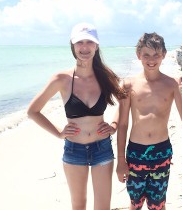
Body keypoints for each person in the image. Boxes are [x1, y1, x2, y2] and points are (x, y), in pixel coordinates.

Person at [27, 22, 126, 210]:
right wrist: (58, 132)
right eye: (80, 42)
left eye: (90, 42)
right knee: (78, 205)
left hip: (102, 149)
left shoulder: (106, 76)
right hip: (74, 150)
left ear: (97, 46)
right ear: (72, 45)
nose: (84, 47)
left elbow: (125, 101)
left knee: (102, 206)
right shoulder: (61, 79)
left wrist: (113, 124)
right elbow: (33, 111)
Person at [116, 32, 182, 210]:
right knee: (135, 203)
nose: (151, 59)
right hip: (135, 152)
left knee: (158, 204)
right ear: (138, 55)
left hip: (161, 152)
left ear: (164, 55)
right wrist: (121, 160)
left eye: (156, 55)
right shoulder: (128, 85)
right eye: (146, 55)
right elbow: (122, 125)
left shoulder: (173, 84)